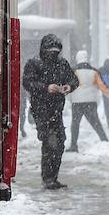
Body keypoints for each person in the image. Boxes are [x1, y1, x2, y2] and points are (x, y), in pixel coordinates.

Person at [22, 34, 79, 190]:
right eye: (50, 52)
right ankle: (48, 178)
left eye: (56, 52)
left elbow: (74, 79)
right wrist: (46, 88)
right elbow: (27, 82)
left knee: (59, 142)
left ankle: (52, 177)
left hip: (56, 109)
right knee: (50, 142)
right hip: (41, 109)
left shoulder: (62, 63)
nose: (53, 55)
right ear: (43, 50)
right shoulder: (34, 63)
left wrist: (69, 86)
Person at [67, 50, 109, 152]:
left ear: (78, 59)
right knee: (96, 123)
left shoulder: (73, 71)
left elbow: (68, 86)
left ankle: (74, 145)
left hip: (77, 102)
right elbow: (102, 86)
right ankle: (105, 141)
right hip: (90, 102)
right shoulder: (94, 71)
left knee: (75, 124)